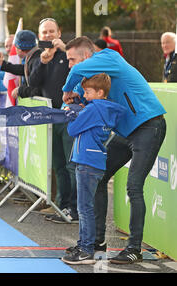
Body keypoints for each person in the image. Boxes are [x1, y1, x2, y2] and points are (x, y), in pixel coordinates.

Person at [62, 36, 166, 264]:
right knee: (100, 176)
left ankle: (134, 248)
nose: (69, 64)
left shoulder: (109, 57)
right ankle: (95, 243)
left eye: (71, 59)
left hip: (149, 126)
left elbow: (76, 71)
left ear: (86, 56)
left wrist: (66, 89)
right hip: (125, 132)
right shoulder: (92, 78)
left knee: (134, 186)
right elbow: (85, 97)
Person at [61, 73, 126, 265]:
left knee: (84, 208)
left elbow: (72, 130)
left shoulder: (93, 109)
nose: (84, 94)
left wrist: (70, 112)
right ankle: (84, 245)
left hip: (87, 162)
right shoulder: (102, 108)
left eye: (88, 91)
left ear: (99, 92)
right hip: (94, 161)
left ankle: (86, 249)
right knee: (85, 207)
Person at [27, 18, 78, 224]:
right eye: (44, 33)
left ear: (59, 32)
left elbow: (80, 70)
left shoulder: (69, 54)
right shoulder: (40, 56)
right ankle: (61, 205)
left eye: (51, 32)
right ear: (40, 36)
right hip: (51, 118)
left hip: (69, 117)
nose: (48, 35)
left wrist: (65, 51)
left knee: (71, 164)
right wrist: (43, 62)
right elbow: (32, 82)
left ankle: (75, 208)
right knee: (58, 165)